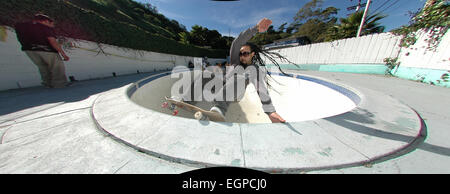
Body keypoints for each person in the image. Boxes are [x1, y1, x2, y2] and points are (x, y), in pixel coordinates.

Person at [182, 18, 290, 123]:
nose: (242, 56)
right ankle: (187, 100)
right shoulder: (236, 60)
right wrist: (255, 29)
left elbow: (261, 90)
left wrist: (271, 112)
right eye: (240, 53)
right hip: (221, 86)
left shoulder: (255, 70)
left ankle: (220, 109)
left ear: (252, 54)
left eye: (245, 54)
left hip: (235, 93)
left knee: (239, 76)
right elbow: (236, 43)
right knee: (206, 74)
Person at [15, 14, 71, 88]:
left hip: (29, 50)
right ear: (46, 21)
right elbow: (52, 41)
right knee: (56, 66)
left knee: (42, 67)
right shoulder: (45, 27)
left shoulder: (21, 26)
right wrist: (63, 54)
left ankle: (47, 83)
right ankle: (59, 84)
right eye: (52, 23)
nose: (52, 26)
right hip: (46, 50)